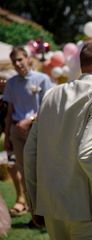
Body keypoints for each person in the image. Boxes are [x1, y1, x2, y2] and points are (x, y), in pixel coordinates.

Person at [24, 39, 92, 239]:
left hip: (52, 205)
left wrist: (36, 202)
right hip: (89, 209)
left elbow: (30, 152)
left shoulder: (52, 94)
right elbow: (90, 154)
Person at [3, 46, 54, 217]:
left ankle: (47, 210)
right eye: (14, 61)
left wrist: (30, 120)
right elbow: (9, 110)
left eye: (20, 59)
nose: (17, 64)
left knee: (41, 169)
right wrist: (7, 135)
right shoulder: (11, 83)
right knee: (24, 171)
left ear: (27, 58)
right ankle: (33, 212)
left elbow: (49, 107)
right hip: (16, 130)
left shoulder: (42, 79)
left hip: (37, 129)